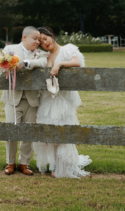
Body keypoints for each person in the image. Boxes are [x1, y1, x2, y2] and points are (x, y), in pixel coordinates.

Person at [32, 27, 91, 178]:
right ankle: (56, 165)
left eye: (46, 38)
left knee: (63, 132)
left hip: (62, 99)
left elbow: (76, 62)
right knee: (50, 133)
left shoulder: (67, 49)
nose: (44, 43)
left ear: (52, 35)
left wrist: (59, 65)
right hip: (47, 99)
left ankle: (64, 169)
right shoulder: (44, 56)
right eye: (40, 42)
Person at [0, 26, 48, 175]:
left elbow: (42, 63)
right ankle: (10, 163)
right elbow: (0, 67)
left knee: (28, 132)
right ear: (24, 38)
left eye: (39, 40)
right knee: (11, 131)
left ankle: (24, 163)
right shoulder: (10, 49)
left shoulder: (41, 53)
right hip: (12, 98)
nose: (37, 42)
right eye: (35, 39)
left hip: (32, 99)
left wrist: (25, 63)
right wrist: (8, 66)